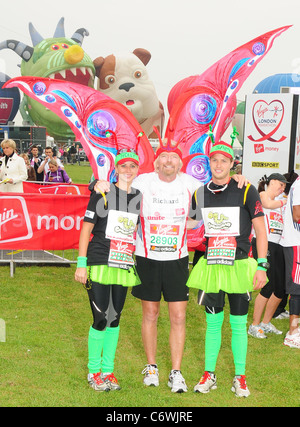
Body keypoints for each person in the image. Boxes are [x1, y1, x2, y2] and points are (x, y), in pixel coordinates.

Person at [93, 135, 247, 393]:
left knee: (178, 316)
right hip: (146, 257)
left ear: (180, 163)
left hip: (177, 259)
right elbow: (116, 185)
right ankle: (151, 367)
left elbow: (219, 190)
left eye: (174, 157)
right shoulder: (142, 181)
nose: (168, 161)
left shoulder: (193, 185)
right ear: (156, 161)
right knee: (150, 313)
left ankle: (176, 371)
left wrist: (240, 179)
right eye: (163, 156)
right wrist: (96, 183)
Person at [187, 139, 268, 397]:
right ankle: (209, 375)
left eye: (224, 160)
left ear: (232, 163)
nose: (219, 164)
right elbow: (189, 224)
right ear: (209, 163)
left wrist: (263, 266)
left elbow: (260, 229)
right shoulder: (200, 192)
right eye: (214, 160)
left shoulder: (246, 190)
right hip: (213, 266)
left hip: (239, 266)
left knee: (237, 323)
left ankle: (240, 377)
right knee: (212, 323)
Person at [74, 148, 142, 391]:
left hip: (122, 264)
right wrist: (81, 263)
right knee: (100, 318)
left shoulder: (137, 196)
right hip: (100, 261)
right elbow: (86, 228)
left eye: (132, 166)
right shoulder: (103, 192)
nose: (127, 170)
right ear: (116, 168)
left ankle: (108, 371)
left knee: (114, 318)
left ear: (137, 169)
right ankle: (94, 372)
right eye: (123, 166)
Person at [248, 173, 288, 338]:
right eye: (281, 184)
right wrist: (284, 201)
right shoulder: (263, 195)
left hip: (278, 245)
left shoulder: (280, 205)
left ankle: (266, 322)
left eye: (285, 186)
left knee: (281, 289)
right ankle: (254, 325)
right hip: (264, 244)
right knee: (268, 286)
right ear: (271, 182)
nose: (282, 188)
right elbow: (266, 203)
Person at [280, 174, 300, 349]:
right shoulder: (299, 185)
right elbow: (297, 215)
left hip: (296, 241)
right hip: (296, 242)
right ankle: (292, 334)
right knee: (296, 288)